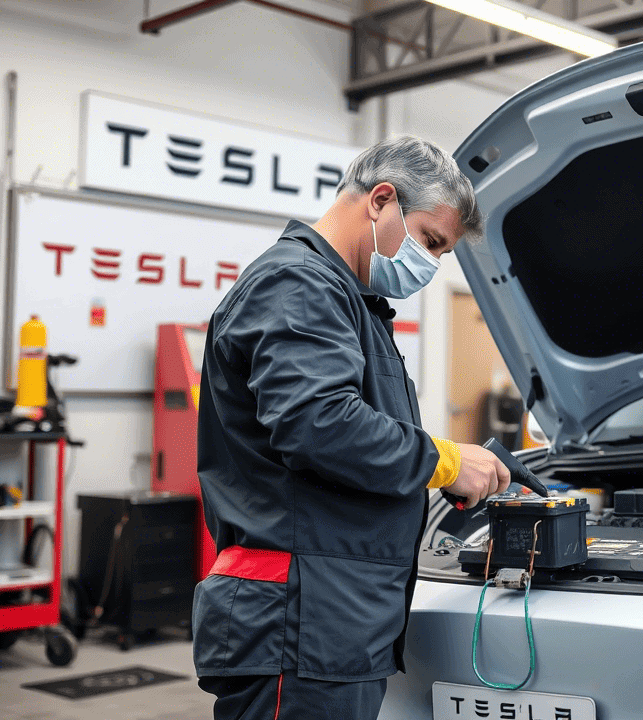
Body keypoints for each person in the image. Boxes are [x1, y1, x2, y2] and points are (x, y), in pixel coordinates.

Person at [192, 136, 511, 719]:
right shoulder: (297, 285)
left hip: (332, 620)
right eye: (430, 241)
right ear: (381, 200)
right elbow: (320, 424)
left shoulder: (348, 302)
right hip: (298, 620)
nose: (430, 266)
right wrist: (446, 462)